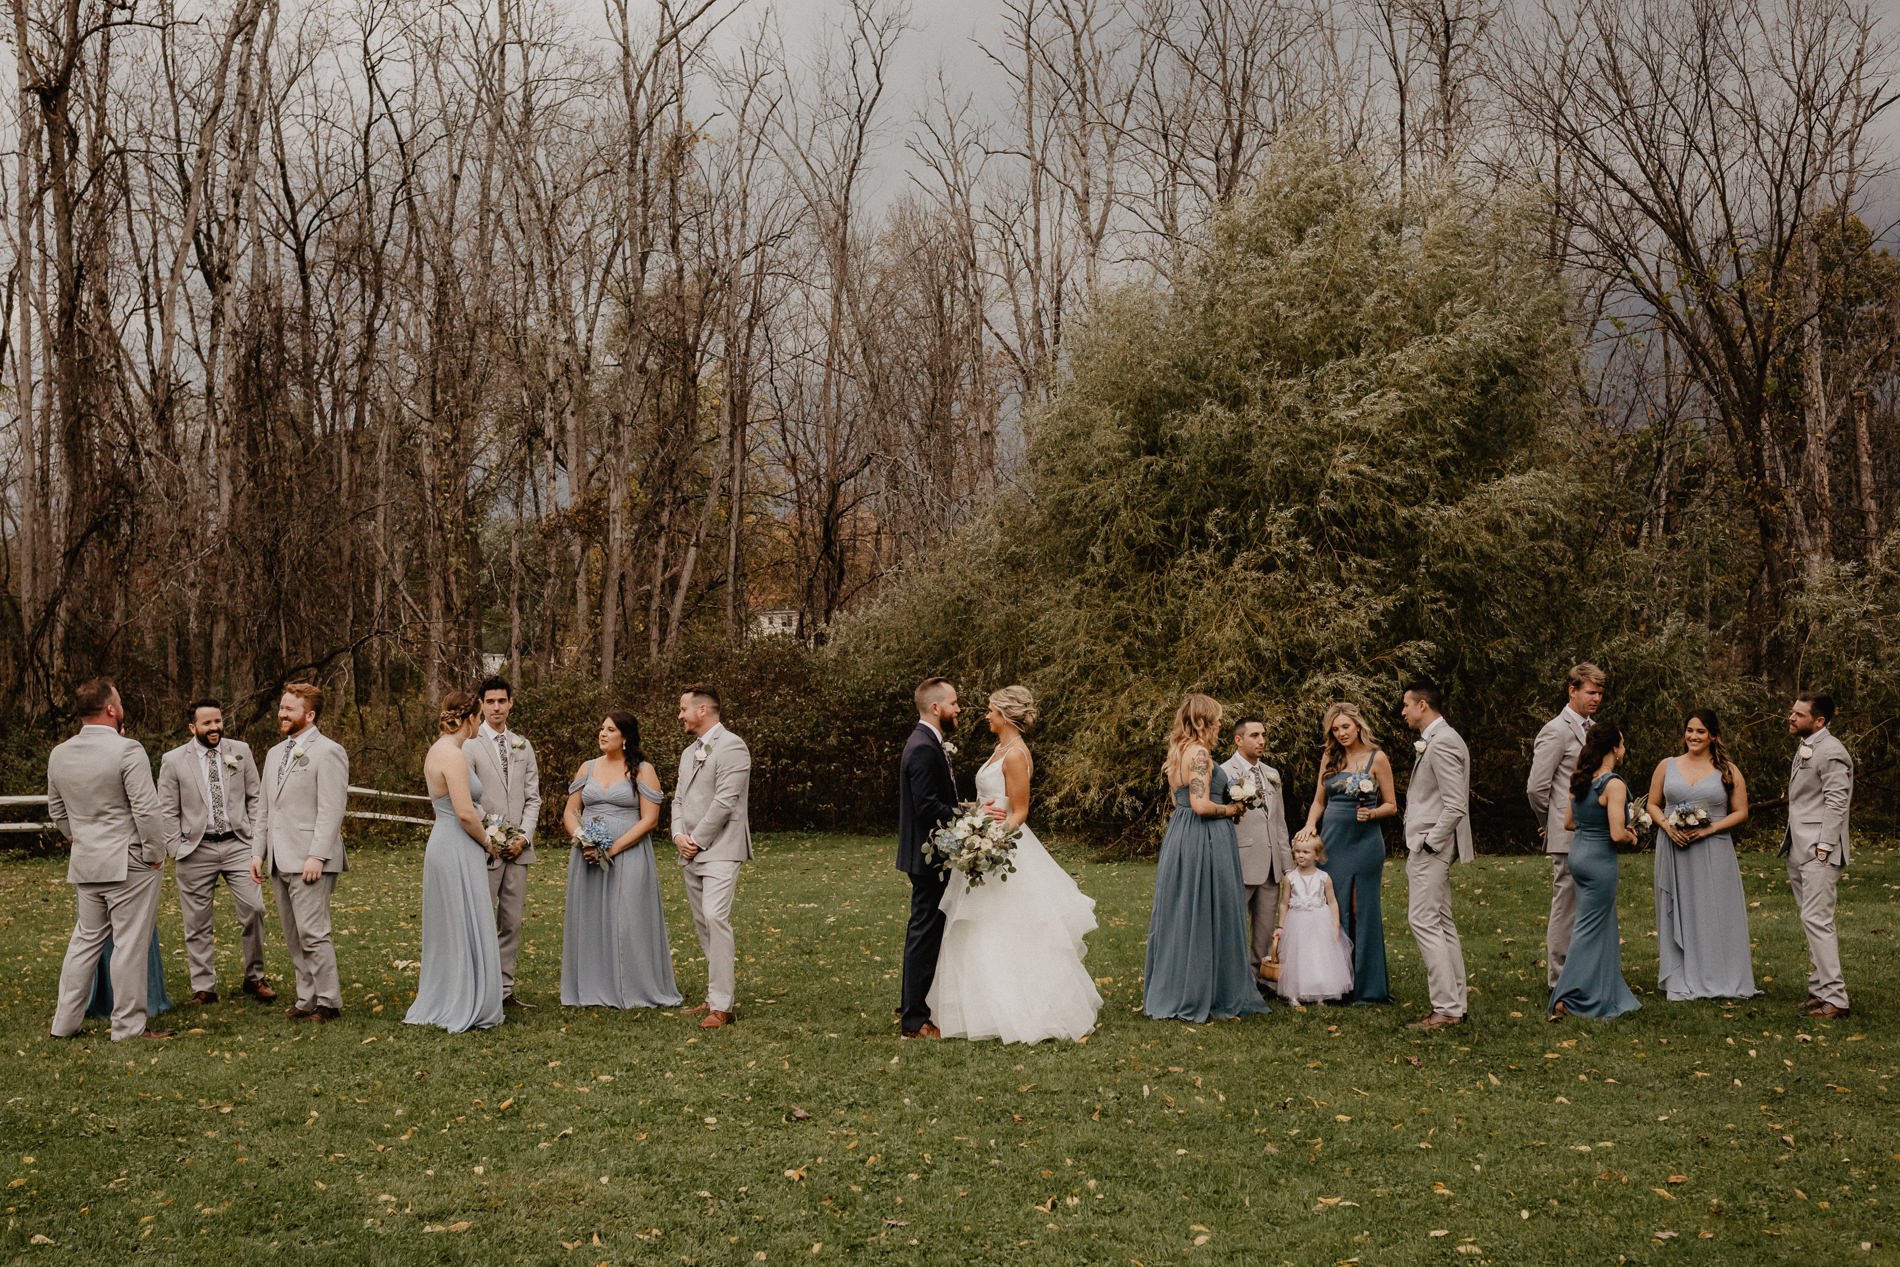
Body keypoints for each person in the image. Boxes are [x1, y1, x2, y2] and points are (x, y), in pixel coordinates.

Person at [927, 686, 1101, 1043]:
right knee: (977, 926)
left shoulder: (1017, 754)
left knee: (1008, 926)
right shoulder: (1000, 749)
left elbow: (1019, 812)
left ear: (1005, 715)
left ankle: (1024, 1010)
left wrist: (989, 840)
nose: (986, 716)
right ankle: (979, 1010)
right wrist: (973, 820)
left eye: (991, 710)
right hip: (983, 840)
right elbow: (990, 800)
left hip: (1002, 847)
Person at [48, 678, 176, 1041]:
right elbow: (146, 809)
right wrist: (154, 854)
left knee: (84, 943)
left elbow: (57, 811)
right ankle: (128, 1027)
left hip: (87, 861)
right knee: (130, 945)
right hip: (129, 862)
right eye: (118, 702)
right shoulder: (127, 750)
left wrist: (82, 840)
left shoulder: (59, 753)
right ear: (110, 709)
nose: (121, 707)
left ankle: (64, 1024)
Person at [1143, 694, 1269, 1023]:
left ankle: (1182, 986)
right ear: (1203, 722)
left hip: (1181, 833)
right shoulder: (1199, 754)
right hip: (1205, 837)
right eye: (1216, 719)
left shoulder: (1177, 753)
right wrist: (1232, 809)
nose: (1220, 725)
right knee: (1207, 908)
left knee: (1185, 909)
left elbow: (1180, 801)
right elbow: (1200, 805)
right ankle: (1206, 992)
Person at [560, 712, 681, 1010]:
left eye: (611, 730)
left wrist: (611, 849)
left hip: (628, 852)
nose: (603, 734)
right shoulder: (587, 767)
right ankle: (592, 985)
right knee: (590, 918)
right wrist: (583, 840)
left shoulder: (643, 770)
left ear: (625, 737)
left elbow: (650, 820)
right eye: (601, 728)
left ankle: (634, 985)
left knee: (627, 918)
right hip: (588, 854)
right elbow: (570, 811)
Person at [157, 699, 274, 1005]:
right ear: (192, 727)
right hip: (195, 848)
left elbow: (255, 798)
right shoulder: (173, 760)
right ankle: (204, 987)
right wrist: (175, 847)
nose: (215, 728)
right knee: (197, 921)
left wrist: (255, 842)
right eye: (207, 723)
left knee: (254, 909)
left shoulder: (240, 751)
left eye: (218, 721)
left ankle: (255, 977)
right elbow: (167, 809)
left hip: (238, 844)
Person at [403, 692, 505, 1032]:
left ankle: (453, 993)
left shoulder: (438, 749)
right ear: (471, 719)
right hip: (457, 844)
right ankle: (464, 999)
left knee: (452, 922)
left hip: (444, 841)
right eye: (479, 717)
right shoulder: (453, 755)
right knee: (462, 919)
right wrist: (488, 842)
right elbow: (464, 812)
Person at [252, 682, 349, 1022]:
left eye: (289, 709)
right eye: (281, 707)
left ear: (309, 715)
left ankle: (328, 1001)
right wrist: (258, 853)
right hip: (279, 858)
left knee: (313, 932)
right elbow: (264, 808)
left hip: (311, 859)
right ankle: (306, 998)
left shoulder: (329, 751)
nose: (281, 713)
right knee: (293, 935)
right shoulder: (274, 754)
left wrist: (317, 855)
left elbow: (332, 809)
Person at [1646, 709, 1758, 1001]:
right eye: (1689, 730)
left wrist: (1710, 830)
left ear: (1713, 736)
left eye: (1700, 731)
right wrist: (1667, 826)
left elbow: (1741, 812)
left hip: (1714, 847)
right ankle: (1680, 975)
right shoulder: (1667, 765)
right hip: (1674, 847)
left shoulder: (1728, 770)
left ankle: (1721, 974)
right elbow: (1653, 804)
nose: (1693, 736)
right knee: (1678, 907)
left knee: (1716, 910)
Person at [1295, 702, 1395, 1004]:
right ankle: (1334, 983)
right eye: (1335, 729)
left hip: (1365, 843)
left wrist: (1372, 813)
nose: (1341, 733)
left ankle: (1366, 986)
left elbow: (1391, 805)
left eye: (1345, 727)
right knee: (1333, 905)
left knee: (1360, 906)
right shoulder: (1330, 757)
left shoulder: (1377, 758)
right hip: (1334, 841)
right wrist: (1311, 825)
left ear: (1358, 725)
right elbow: (1319, 801)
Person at [671, 685, 753, 1030]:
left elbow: (725, 801)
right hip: (690, 850)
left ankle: (722, 1007)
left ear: (702, 710)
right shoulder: (689, 752)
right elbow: (677, 799)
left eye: (683, 709)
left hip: (721, 847)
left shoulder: (733, 746)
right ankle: (714, 993)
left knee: (715, 916)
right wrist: (678, 835)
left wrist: (696, 840)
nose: (680, 715)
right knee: (703, 923)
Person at [1548, 718, 1640, 1020]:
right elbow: (1616, 833)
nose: (1624, 748)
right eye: (1622, 743)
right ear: (1614, 747)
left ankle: (1600, 990)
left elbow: (1568, 823)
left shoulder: (1581, 778)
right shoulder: (1613, 784)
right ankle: (1567, 996)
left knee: (1601, 925)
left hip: (1578, 855)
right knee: (1587, 929)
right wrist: (1632, 835)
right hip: (1600, 860)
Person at [463, 676, 542, 1008]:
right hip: (487, 847)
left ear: (511, 703)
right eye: (490, 701)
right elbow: (468, 799)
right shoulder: (469, 745)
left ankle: (505, 990)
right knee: (481, 920)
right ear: (481, 705)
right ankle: (480, 991)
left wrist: (523, 836)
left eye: (502, 701)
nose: (496, 707)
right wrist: (494, 835)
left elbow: (533, 798)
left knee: (511, 922)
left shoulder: (523, 745)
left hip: (519, 851)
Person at [1526, 662, 1605, 987]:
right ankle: (1558, 978)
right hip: (1566, 833)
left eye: (1600, 693)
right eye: (1591, 692)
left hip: (1593, 831)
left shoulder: (1594, 729)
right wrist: (1549, 823)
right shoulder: (1555, 730)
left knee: (1590, 905)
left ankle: (1586, 971)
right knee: (1567, 905)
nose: (1596, 698)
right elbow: (1536, 788)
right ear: (1572, 691)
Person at [1400, 683, 1473, 1031]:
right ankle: (1455, 1003)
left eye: (1406, 705)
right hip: (1431, 844)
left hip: (1431, 847)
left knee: (1423, 920)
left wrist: (1430, 842)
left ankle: (1445, 1008)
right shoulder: (1439, 738)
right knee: (1441, 921)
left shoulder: (1442, 742)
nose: (1403, 712)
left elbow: (1456, 804)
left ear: (1422, 705)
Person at [897, 677, 964, 1039]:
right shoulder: (923, 746)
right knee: (923, 934)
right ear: (936, 708)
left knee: (924, 931)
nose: (958, 709)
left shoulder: (927, 741)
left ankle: (914, 1006)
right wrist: (968, 816)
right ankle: (914, 1019)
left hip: (931, 854)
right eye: (953, 703)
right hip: (928, 857)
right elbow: (927, 807)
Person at [1783, 692, 1853, 1019]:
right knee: (1809, 919)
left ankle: (1836, 998)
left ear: (1819, 721)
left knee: (1818, 920)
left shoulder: (1832, 751)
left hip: (1818, 850)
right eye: (1792, 712)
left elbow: (1837, 802)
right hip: (1799, 846)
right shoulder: (1808, 745)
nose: (1791, 717)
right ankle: (1819, 988)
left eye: (1799, 714)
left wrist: (1824, 848)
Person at [1220, 717, 1293, 981]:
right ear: (1238, 740)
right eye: (1254, 735)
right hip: (1239, 861)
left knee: (1265, 929)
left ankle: (1259, 978)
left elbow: (1279, 821)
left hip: (1271, 864)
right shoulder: (1223, 773)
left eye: (1263, 735)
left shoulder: (1272, 774)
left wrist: (1287, 866)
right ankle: (1232, 979)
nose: (1262, 740)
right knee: (1232, 927)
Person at [1270, 837, 1354, 1005]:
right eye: (1297, 851)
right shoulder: (1290, 878)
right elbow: (1284, 904)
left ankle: (1319, 991)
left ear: (1317, 855)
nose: (1300, 855)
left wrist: (1335, 924)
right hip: (1297, 923)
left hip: (1320, 923)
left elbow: (1332, 902)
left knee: (1318, 955)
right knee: (1298, 956)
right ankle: (1294, 992)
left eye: (1306, 852)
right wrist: (1281, 926)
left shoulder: (1324, 877)